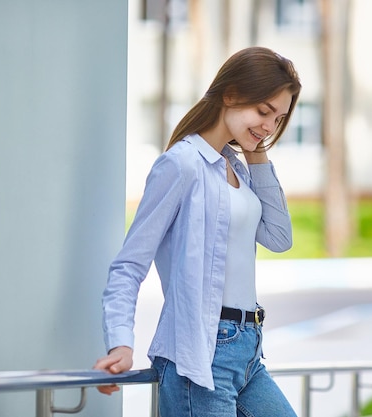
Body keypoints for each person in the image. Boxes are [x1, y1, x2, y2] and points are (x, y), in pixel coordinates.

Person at [93, 46, 302, 417]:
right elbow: (129, 264)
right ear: (230, 94)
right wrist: (120, 344)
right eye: (263, 111)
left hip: (248, 348)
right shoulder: (181, 164)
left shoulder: (236, 166)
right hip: (202, 356)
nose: (270, 127)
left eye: (279, 118)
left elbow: (279, 238)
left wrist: (257, 154)